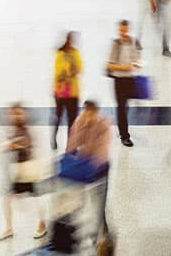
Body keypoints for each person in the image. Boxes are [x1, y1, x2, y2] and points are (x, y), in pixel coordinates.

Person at [0, 105, 48, 241]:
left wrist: (15, 145)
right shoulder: (15, 129)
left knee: (34, 198)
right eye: (13, 114)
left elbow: (26, 145)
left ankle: (42, 223)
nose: (15, 116)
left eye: (18, 114)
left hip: (28, 170)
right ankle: (9, 228)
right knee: (8, 198)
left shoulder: (26, 130)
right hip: (18, 170)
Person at [65, 101, 112, 244]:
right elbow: (71, 146)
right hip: (83, 167)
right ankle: (83, 233)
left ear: (97, 112)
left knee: (99, 206)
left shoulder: (103, 124)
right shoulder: (79, 122)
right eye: (86, 111)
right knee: (77, 203)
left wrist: (91, 165)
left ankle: (102, 236)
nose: (88, 115)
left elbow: (102, 153)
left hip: (100, 169)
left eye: (91, 112)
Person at [105, 20, 141, 147]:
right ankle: (124, 135)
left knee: (125, 107)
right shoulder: (116, 44)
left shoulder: (132, 42)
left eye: (125, 30)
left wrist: (137, 63)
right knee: (121, 107)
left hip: (129, 79)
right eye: (121, 30)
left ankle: (122, 129)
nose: (123, 33)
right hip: (119, 80)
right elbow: (109, 64)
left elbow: (136, 58)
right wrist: (125, 67)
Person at [52, 32, 82, 150]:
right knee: (58, 117)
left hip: (73, 93)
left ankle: (70, 144)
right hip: (60, 93)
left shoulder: (75, 53)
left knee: (72, 120)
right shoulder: (60, 53)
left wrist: (69, 71)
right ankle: (54, 138)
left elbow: (79, 68)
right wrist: (70, 72)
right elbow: (59, 72)